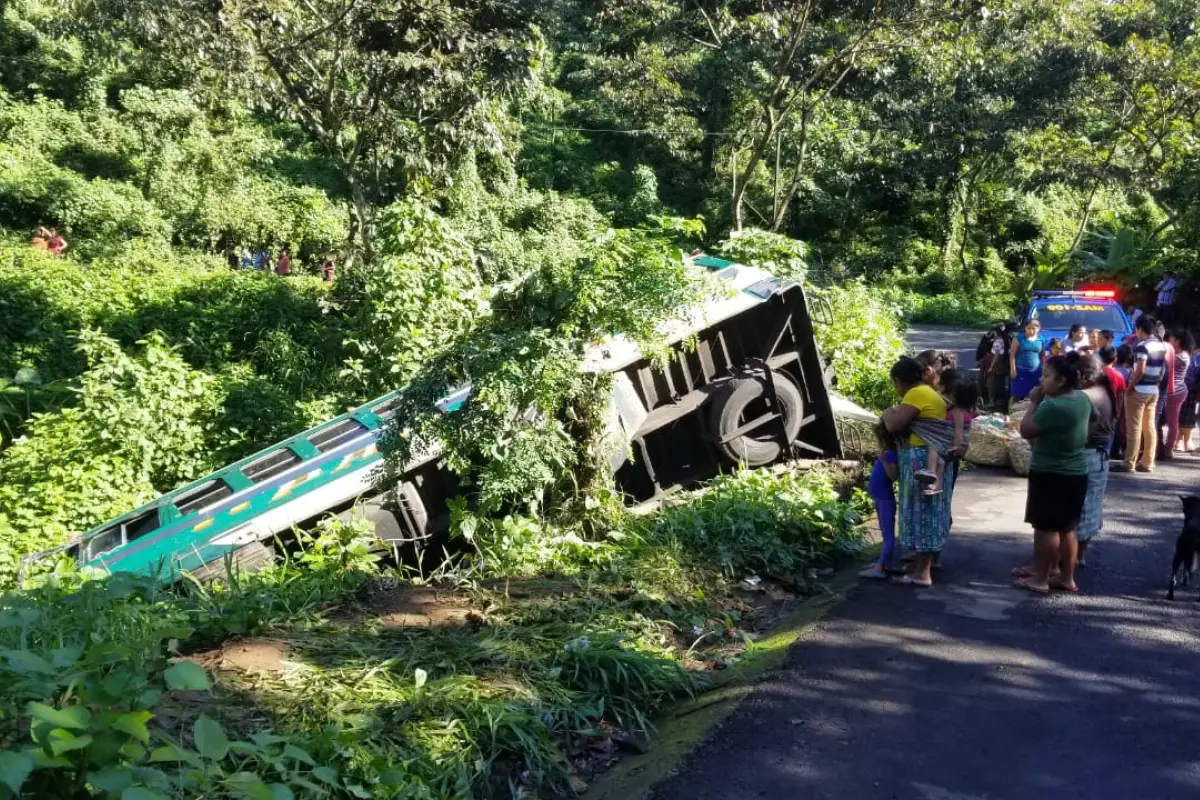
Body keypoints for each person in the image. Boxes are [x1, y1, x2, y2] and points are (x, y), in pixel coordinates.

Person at [1012, 356, 1091, 594]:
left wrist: (1034, 403)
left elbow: (1026, 430)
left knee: (1045, 527)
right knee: (1067, 526)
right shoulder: (1082, 399)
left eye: (1046, 376)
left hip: (1051, 472)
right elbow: (1095, 418)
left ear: (1061, 381)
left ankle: (1042, 578)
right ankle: (1065, 576)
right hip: (1077, 471)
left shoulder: (1052, 406)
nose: (1041, 379)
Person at [882, 356, 950, 588]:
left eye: (895, 384)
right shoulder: (930, 392)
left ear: (899, 382)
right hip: (932, 458)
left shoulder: (916, 394)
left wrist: (888, 412)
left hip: (921, 458)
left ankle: (922, 574)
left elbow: (893, 424)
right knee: (930, 511)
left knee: (922, 512)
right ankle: (923, 566)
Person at [1070, 354, 1116, 569]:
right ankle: (1080, 555)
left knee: (1078, 509)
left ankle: (1070, 558)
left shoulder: (1085, 396)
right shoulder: (1103, 391)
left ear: (1083, 376)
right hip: (1099, 456)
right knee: (1091, 507)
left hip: (1087, 454)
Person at [1116, 315, 1169, 473]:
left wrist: (1130, 386)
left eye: (1136, 330)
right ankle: (1148, 462)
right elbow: (1162, 368)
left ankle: (1129, 462)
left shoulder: (1142, 346)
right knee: (1149, 427)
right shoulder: (1161, 346)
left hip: (1139, 390)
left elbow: (1140, 368)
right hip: (1154, 390)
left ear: (1140, 329)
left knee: (1134, 428)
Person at [913, 369, 975, 496]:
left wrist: (956, 446)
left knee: (933, 447)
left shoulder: (958, 411)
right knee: (941, 464)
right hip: (956, 444)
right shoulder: (966, 409)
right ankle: (936, 486)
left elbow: (958, 430)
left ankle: (930, 471)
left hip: (953, 444)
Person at [860, 423, 899, 580]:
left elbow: (893, 476)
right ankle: (883, 563)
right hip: (880, 498)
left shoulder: (891, 455)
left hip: (886, 499)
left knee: (888, 535)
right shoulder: (887, 453)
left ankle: (880, 569)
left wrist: (883, 461)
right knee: (884, 532)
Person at [1162, 330, 1193, 458]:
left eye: (1172, 339)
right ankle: (1168, 446)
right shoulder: (1181, 354)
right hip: (1176, 390)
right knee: (1171, 421)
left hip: (1175, 391)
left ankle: (1169, 449)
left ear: (1178, 341)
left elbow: (1166, 360)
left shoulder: (1181, 356)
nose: (1170, 342)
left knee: (1172, 422)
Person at [1009, 320, 1045, 401]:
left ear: (1038, 329)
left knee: (1035, 395)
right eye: (1028, 328)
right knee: (1017, 395)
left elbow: (1042, 355)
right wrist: (1013, 369)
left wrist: (1043, 369)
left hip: (1036, 371)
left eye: (1034, 328)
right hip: (1021, 371)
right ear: (1025, 328)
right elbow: (1012, 355)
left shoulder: (1041, 340)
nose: (1031, 331)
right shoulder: (1019, 338)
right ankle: (1014, 411)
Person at [1180, 348, 1200, 453]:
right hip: (1191, 389)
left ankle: (1182, 441)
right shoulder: (1194, 357)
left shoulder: (1195, 357)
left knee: (1185, 416)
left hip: (1188, 388)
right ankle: (1184, 441)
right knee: (1188, 416)